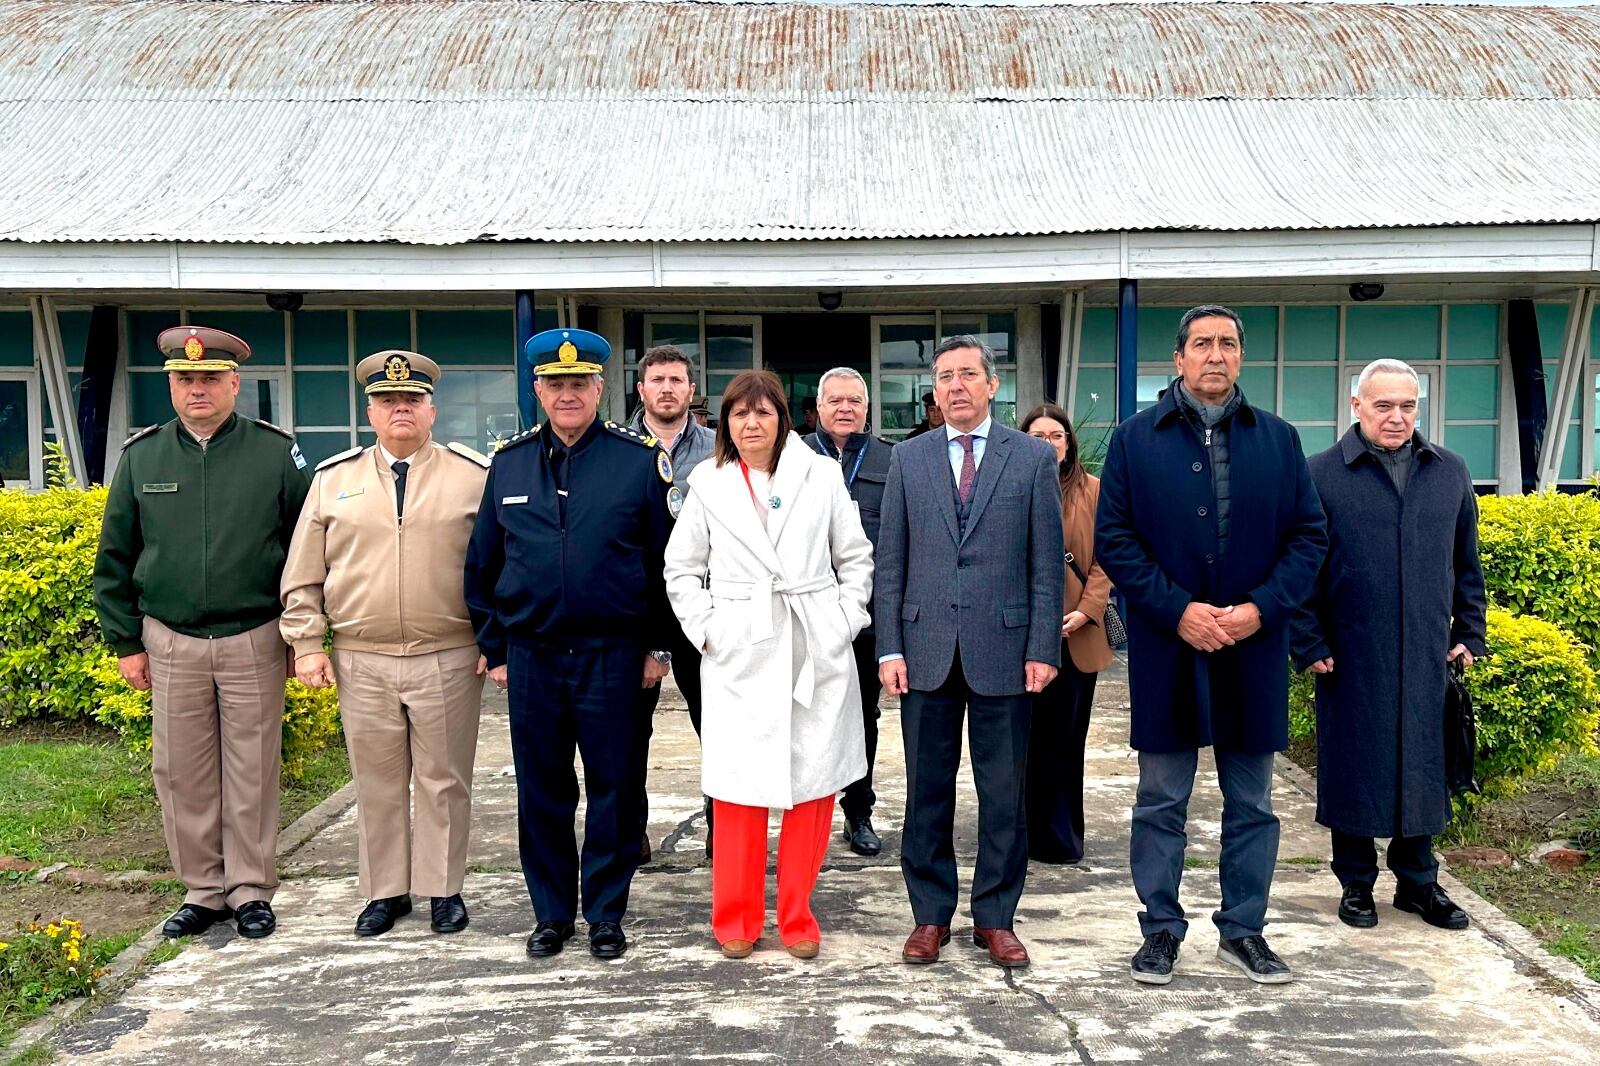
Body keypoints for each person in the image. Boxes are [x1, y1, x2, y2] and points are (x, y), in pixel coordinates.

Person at [1095, 304, 1327, 986]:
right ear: (1179, 358)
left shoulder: (1279, 440)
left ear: (1241, 357)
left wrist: (1261, 610)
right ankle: (1160, 930)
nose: (1215, 355)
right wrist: (1177, 610)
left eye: (1228, 344)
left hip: (1252, 649)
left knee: (1252, 803)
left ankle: (1244, 931)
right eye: (1202, 344)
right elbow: (1117, 541)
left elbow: (1309, 537)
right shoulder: (1137, 440)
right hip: (1171, 650)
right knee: (1161, 800)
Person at [464, 328, 676, 961]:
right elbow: (481, 565)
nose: (567, 395)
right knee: (543, 789)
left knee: (615, 785)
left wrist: (658, 648)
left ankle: (606, 911)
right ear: (538, 390)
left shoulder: (637, 462)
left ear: (599, 388)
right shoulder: (508, 465)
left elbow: (669, 563)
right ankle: (552, 913)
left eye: (579, 384)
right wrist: (495, 647)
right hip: (533, 658)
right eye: (555, 385)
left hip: (614, 655)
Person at [93, 325, 310, 940]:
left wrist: (301, 636)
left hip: (254, 635)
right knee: (181, 771)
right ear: (171, 386)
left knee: (252, 768)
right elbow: (115, 556)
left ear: (234, 384)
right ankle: (202, 890)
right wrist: (126, 642)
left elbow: (306, 548)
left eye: (210, 378)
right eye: (185, 379)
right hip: (172, 639)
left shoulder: (275, 454)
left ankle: (250, 889)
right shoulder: (144, 457)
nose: (197, 389)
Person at [280, 350, 491, 937]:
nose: (401, 409)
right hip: (361, 654)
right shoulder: (333, 480)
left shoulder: (473, 476)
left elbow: (499, 567)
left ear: (432, 410)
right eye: (387, 401)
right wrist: (306, 643)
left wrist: (494, 639)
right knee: (374, 778)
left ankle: (442, 889)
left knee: (445, 778)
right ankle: (385, 891)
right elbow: (303, 573)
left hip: (448, 651)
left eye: (412, 400)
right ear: (370, 412)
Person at [664, 370, 874, 960]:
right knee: (738, 789)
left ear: (784, 418)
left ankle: (797, 915)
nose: (751, 424)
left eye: (763, 412)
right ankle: (735, 916)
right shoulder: (707, 482)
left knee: (812, 786)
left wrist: (840, 621)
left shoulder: (821, 474)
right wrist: (709, 631)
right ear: (725, 423)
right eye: (739, 414)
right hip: (740, 647)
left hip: (813, 641)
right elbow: (680, 569)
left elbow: (855, 557)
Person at [875, 335, 1064, 969]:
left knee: (1003, 793)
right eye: (945, 377)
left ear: (991, 386)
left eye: (967, 375)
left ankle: (995, 918)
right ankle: (930, 916)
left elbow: (1045, 564)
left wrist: (1043, 646)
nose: (955, 386)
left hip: (1006, 651)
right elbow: (891, 562)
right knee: (927, 790)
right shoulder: (910, 458)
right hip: (925, 649)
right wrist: (889, 647)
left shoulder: (1033, 458)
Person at [1291, 359, 1488, 932]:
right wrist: (1308, 642)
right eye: (1384, 406)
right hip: (1350, 654)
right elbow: (1300, 571)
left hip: (1428, 651)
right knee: (1355, 765)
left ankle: (1419, 883)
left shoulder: (1449, 471)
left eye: (1408, 406)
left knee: (1424, 764)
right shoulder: (1321, 474)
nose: (1397, 417)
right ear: (1357, 406)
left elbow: (1466, 567)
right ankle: (1356, 885)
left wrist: (1468, 634)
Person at [628, 344, 717, 860]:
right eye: (657, 379)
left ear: (690, 390)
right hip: (636, 612)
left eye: (676, 380)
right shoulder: (616, 446)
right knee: (628, 730)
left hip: (704, 608)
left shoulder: (718, 448)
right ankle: (631, 828)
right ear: (641, 390)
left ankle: (722, 827)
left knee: (717, 724)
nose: (666, 388)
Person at [804, 366, 895, 857]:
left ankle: (858, 813)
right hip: (804, 619)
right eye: (835, 400)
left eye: (854, 401)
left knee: (863, 718)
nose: (845, 408)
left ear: (866, 408)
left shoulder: (891, 458)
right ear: (818, 408)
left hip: (867, 619)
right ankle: (806, 816)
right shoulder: (793, 455)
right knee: (806, 716)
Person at [1019, 403, 1114, 864]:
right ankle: (1022, 833)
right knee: (1025, 742)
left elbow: (1108, 558)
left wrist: (1086, 610)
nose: (1047, 444)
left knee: (1066, 739)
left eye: (1055, 436)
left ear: (1069, 442)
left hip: (1077, 633)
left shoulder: (1095, 491)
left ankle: (1060, 837)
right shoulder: (1010, 488)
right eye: (1037, 436)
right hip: (1022, 637)